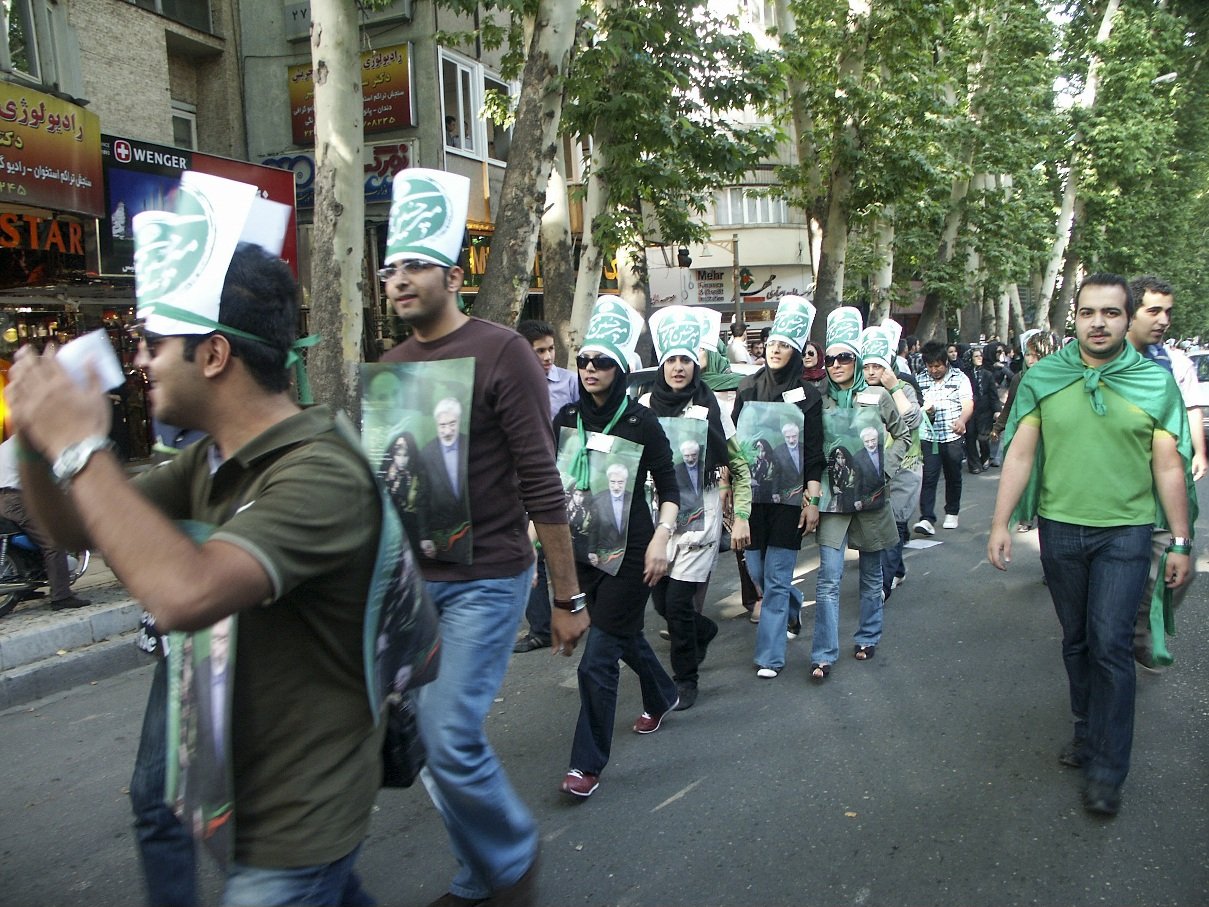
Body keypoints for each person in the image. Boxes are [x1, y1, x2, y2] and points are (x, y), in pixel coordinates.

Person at [7, 173, 387, 904]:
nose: (139, 359)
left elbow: (185, 593)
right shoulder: (206, 460)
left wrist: (82, 448)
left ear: (213, 356)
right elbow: (78, 528)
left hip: (295, 821)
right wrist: (35, 440)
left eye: (153, 342)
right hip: (231, 792)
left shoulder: (322, 472)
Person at [379, 169, 586, 903]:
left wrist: (566, 595)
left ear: (452, 273)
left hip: (489, 577)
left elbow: (542, 483)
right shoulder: (392, 368)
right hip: (414, 588)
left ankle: (512, 856)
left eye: (413, 266)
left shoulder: (503, 352)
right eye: (389, 267)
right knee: (428, 749)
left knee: (446, 733)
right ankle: (478, 874)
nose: (398, 280)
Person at [988, 273, 1195, 818]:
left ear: (1128, 320)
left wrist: (1180, 540)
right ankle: (1086, 732)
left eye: (1110, 313)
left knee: (1109, 645)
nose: (1098, 322)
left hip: (1125, 533)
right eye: (1087, 312)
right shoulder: (1045, 377)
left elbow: (1170, 465)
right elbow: (1021, 454)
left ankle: (1107, 767)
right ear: (1073, 318)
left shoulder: (1155, 385)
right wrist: (1000, 522)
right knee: (1077, 641)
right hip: (1060, 531)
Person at [556, 297, 679, 798]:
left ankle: (587, 765)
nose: (589, 368)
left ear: (621, 369)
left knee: (597, 659)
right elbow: (551, 484)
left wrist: (661, 541)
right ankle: (664, 692)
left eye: (601, 361)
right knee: (623, 638)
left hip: (631, 554)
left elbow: (671, 488)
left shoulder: (641, 423)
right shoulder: (565, 416)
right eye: (583, 359)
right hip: (585, 551)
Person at [643, 305, 752, 710]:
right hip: (657, 521)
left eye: (685, 360)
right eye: (670, 359)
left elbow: (738, 462)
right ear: (662, 364)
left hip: (699, 518)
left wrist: (740, 515)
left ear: (695, 364)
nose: (677, 368)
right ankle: (701, 630)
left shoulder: (712, 407)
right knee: (660, 601)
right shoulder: (644, 404)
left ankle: (685, 680)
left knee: (677, 605)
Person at [810, 311, 909, 681]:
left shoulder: (878, 396)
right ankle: (822, 654)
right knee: (828, 580)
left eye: (844, 358)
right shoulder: (817, 399)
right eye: (830, 358)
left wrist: (884, 470)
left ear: (857, 359)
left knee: (870, 577)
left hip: (871, 496)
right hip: (833, 499)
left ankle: (868, 636)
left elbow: (904, 434)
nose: (836, 365)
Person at [732, 296, 824, 678]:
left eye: (784, 345)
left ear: (797, 352)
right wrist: (728, 490)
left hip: (788, 502)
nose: (776, 350)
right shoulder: (748, 388)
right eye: (772, 344)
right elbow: (733, 445)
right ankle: (793, 600)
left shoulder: (808, 396)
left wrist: (812, 500)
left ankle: (769, 656)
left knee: (776, 574)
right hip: (751, 500)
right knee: (757, 569)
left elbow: (815, 453)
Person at [1126, 275, 1205, 672]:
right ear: (1131, 312)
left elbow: (1191, 409)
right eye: (1153, 310)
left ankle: (1137, 633)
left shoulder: (1175, 363)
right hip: (1114, 488)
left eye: (1167, 312)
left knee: (1176, 562)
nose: (1162, 320)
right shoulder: (1104, 358)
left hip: (1162, 484)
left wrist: (1199, 453)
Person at [514, 319, 581, 654]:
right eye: (539, 350)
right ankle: (539, 628)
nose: (548, 356)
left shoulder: (570, 383)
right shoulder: (512, 385)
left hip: (563, 480)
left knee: (574, 546)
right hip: (521, 481)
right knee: (529, 552)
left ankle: (581, 611)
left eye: (551, 349)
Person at [861, 324, 922, 597]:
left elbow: (913, 420)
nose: (872, 372)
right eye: (867, 366)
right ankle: (895, 570)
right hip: (870, 470)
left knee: (895, 523)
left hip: (904, 467)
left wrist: (893, 387)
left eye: (878, 366)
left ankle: (881, 588)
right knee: (878, 528)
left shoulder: (905, 387)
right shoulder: (858, 391)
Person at [0, 436, 91, 609]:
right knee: (53, 542)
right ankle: (61, 596)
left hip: (4, 500)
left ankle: (27, 588)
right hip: (17, 500)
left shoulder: (6, 445)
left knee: (34, 537)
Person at [914, 340, 973, 535]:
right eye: (930, 366)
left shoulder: (960, 378)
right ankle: (927, 518)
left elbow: (967, 403)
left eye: (937, 366)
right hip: (929, 436)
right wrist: (926, 411)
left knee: (953, 474)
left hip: (952, 435)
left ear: (945, 362)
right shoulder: (920, 379)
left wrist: (962, 421)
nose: (934, 370)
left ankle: (952, 512)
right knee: (929, 477)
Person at [378, 431, 427, 544]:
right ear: (393, 454)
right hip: (386, 529)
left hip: (409, 531)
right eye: (398, 455)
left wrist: (424, 536)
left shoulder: (416, 475)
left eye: (405, 455)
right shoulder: (385, 473)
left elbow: (422, 505)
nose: (401, 460)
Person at [963, 347, 999, 474]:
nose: (979, 358)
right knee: (970, 438)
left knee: (984, 438)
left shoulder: (988, 374)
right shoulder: (965, 375)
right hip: (970, 410)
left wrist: (996, 410)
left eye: (980, 356)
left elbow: (993, 394)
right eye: (976, 356)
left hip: (985, 411)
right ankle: (974, 464)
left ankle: (985, 457)